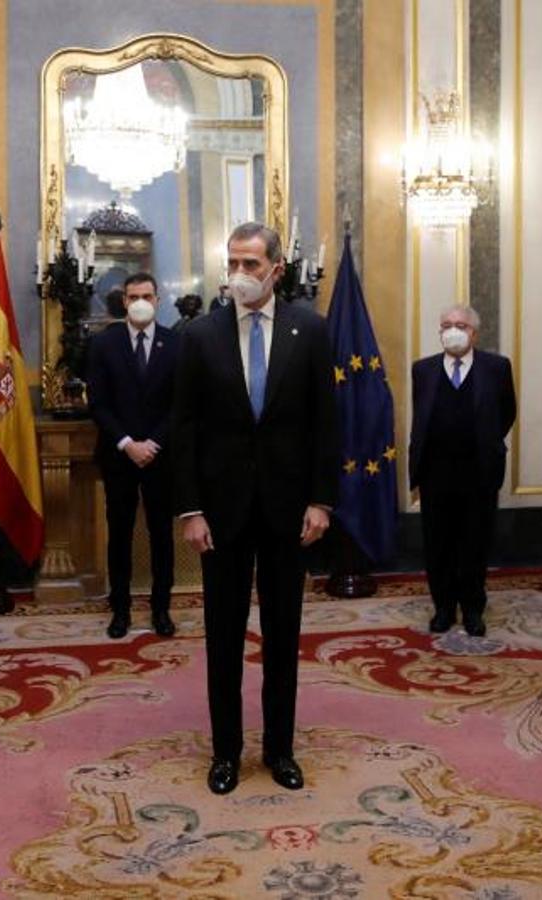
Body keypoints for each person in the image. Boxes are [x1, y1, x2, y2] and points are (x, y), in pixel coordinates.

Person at [173, 222, 339, 795]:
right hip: (221, 515)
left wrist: (321, 500)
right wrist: (190, 510)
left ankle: (279, 749)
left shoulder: (310, 330)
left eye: (250, 264)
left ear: (276, 270)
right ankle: (226, 753)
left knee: (282, 636)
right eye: (233, 263)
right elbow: (185, 429)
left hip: (288, 512)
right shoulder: (199, 335)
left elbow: (325, 422)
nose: (239, 274)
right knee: (223, 636)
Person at [408, 305, 516, 637]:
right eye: (446, 325)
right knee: (437, 544)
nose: (453, 331)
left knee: (474, 543)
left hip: (479, 472)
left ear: (474, 333)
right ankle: (443, 608)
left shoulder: (496, 367)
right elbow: (422, 415)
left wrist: (486, 442)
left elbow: (507, 412)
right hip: (434, 473)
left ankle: (472, 609)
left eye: (460, 325)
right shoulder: (422, 369)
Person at [86, 273, 178, 639]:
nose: (140, 301)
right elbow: (98, 402)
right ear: (124, 302)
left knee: (161, 537)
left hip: (161, 456)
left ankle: (161, 610)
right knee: (120, 536)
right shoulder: (103, 344)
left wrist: (153, 443)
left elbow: (181, 402)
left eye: (147, 295)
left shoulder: (176, 343)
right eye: (133, 295)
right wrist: (127, 442)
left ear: (158, 300)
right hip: (118, 456)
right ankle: (120, 611)